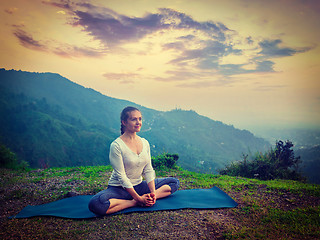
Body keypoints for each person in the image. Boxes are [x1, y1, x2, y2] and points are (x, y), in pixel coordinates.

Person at [88, 106, 179, 215]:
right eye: (133, 119)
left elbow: (148, 169)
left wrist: (153, 193)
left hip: (139, 185)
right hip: (119, 189)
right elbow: (121, 176)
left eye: (140, 119)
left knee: (174, 182)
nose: (138, 122)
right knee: (96, 204)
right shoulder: (116, 145)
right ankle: (133, 203)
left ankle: (147, 198)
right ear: (124, 122)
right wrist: (138, 200)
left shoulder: (145, 143)